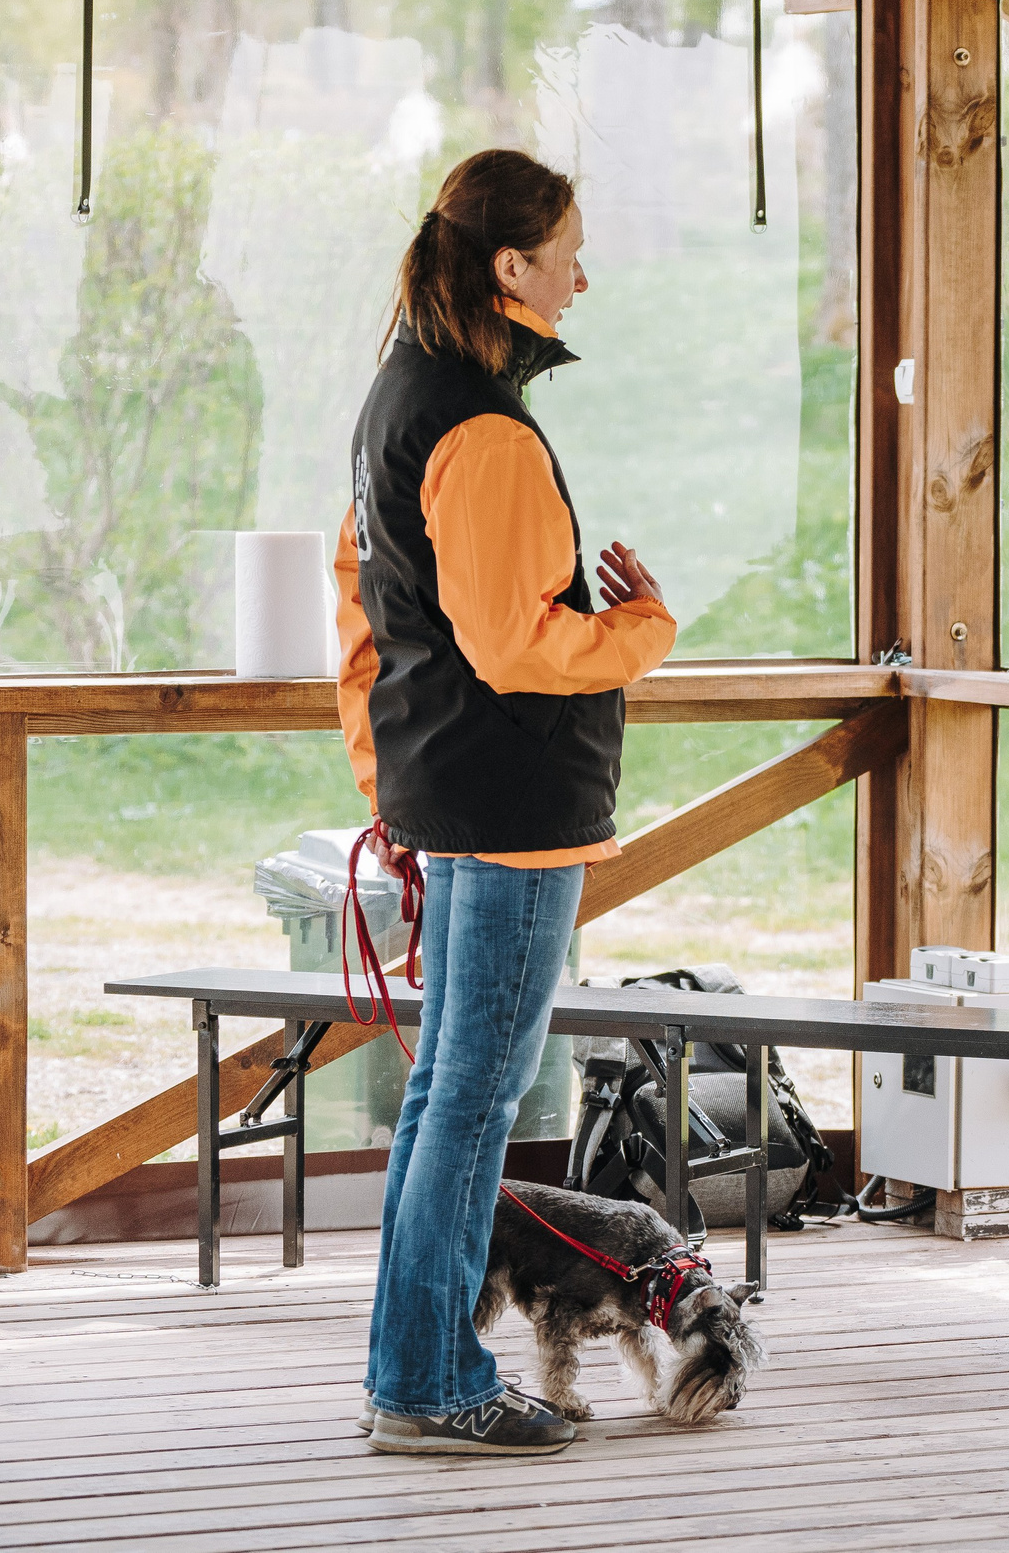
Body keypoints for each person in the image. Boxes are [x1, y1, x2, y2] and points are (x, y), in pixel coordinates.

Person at [334, 148, 678, 1456]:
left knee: (449, 1098)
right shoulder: (478, 424)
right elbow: (513, 646)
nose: (585, 278)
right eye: (571, 252)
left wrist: (395, 772)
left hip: (455, 787)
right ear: (510, 267)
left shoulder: (401, 399)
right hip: (514, 802)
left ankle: (414, 1372)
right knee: (471, 1098)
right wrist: (642, 628)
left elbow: (366, 607)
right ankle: (426, 1386)